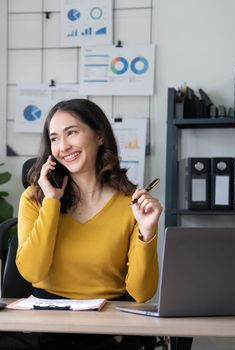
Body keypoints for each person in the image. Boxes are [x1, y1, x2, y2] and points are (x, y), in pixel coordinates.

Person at [16, 98, 161, 304]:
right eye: (54, 138)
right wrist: (51, 202)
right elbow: (32, 272)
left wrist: (147, 233)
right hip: (47, 316)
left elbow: (141, 294)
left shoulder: (133, 203)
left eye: (72, 132)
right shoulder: (35, 198)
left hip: (108, 319)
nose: (63, 146)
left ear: (99, 136)